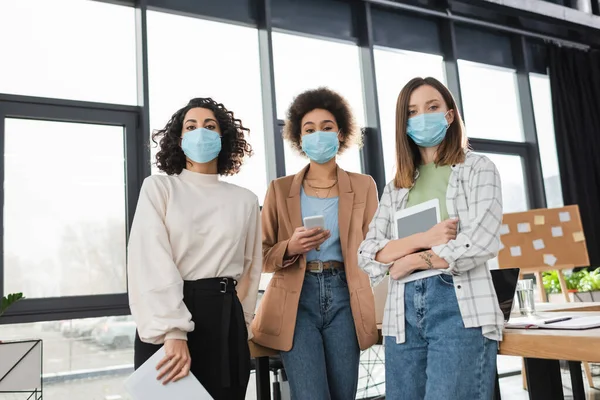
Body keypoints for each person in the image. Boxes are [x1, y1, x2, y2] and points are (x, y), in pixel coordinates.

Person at [358, 77, 504, 400]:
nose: (422, 116)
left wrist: (409, 259)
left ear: (449, 115)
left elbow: (481, 240)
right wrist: (426, 238)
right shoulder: (397, 186)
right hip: (403, 315)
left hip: (458, 306)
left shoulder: (478, 169)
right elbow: (368, 252)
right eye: (412, 111)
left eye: (432, 107)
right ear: (404, 123)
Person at [127, 98, 262, 400]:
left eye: (209, 126)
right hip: (170, 317)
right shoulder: (159, 188)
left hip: (226, 318)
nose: (200, 131)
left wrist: (242, 327)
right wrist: (173, 331)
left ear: (223, 136)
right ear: (179, 139)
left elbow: (251, 269)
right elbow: (150, 259)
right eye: (192, 126)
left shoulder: (246, 200)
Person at [251, 87, 379, 399]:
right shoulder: (279, 190)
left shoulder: (364, 186)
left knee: (343, 394)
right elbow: (261, 256)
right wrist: (290, 248)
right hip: (296, 299)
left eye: (326, 127)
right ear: (298, 137)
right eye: (309, 129)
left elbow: (377, 247)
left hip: (346, 297)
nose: (318, 135)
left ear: (341, 133)